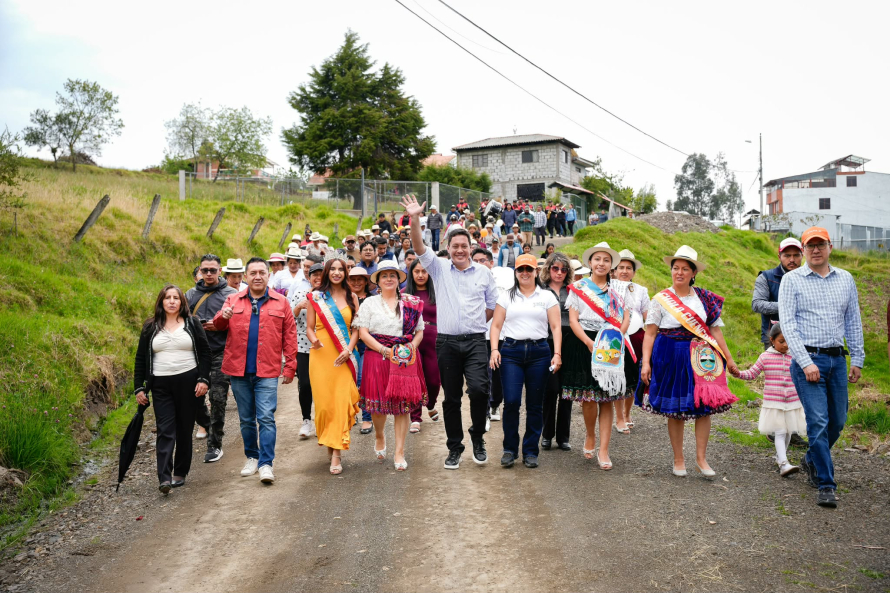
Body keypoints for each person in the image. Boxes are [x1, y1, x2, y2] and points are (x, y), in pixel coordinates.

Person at [403, 193, 499, 470]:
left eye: (464, 246)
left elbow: (492, 306)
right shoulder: (439, 268)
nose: (459, 250)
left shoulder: (483, 273)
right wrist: (414, 219)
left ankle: (477, 438)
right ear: (448, 247)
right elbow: (420, 245)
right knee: (452, 397)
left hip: (476, 342)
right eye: (455, 246)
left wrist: (472, 322)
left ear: (471, 247)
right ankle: (454, 447)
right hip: (446, 344)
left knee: (480, 391)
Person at [778, 226, 864, 508]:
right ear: (803, 250)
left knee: (837, 421)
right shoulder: (792, 280)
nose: (816, 250)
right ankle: (826, 484)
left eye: (821, 245)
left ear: (830, 247)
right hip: (808, 362)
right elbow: (788, 326)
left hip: (837, 361)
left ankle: (812, 457)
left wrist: (857, 359)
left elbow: (853, 321)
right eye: (810, 245)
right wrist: (805, 362)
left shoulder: (846, 279)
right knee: (818, 422)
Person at [637, 245, 739, 477]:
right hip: (670, 354)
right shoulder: (660, 300)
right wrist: (646, 363)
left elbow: (715, 331)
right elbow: (650, 333)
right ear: (671, 271)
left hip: (701, 356)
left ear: (694, 273)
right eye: (675, 268)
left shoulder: (704, 298)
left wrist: (729, 359)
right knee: (676, 407)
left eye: (685, 269)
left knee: (704, 408)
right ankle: (678, 459)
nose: (679, 272)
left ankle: (701, 459)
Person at [214, 258, 297, 485]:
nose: (258, 276)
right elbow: (218, 326)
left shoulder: (281, 303)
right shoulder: (232, 300)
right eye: (253, 273)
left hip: (268, 370)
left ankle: (266, 464)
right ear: (246, 276)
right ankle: (252, 456)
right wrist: (224, 316)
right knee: (246, 419)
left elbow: (289, 336)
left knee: (266, 418)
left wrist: (290, 365)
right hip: (238, 370)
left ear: (268, 275)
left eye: (262, 272)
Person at [134, 285, 211, 493]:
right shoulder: (150, 326)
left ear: (181, 302)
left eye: (175, 298)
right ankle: (164, 477)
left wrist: (204, 380)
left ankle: (180, 472)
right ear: (161, 302)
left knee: (184, 429)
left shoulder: (192, 324)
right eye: (167, 298)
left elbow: (205, 353)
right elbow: (141, 358)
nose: (171, 301)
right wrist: (139, 388)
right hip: (160, 385)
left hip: (189, 382)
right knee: (165, 430)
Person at [563, 243, 633, 470]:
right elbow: (573, 320)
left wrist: (615, 338)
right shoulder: (578, 287)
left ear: (610, 265)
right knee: (590, 397)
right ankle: (590, 435)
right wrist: (589, 342)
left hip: (611, 343)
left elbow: (626, 319)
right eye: (597, 259)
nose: (601, 263)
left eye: (606, 260)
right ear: (590, 263)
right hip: (586, 342)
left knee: (608, 397)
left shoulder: (619, 291)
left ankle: (604, 449)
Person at [489, 254, 562, 469]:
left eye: (529, 269)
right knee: (511, 401)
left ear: (536, 272)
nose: (525, 273)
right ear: (516, 272)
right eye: (521, 269)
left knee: (534, 404)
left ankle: (531, 450)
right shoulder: (506, 297)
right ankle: (509, 449)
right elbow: (496, 326)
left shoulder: (547, 297)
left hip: (539, 352)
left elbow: (556, 327)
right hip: (511, 351)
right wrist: (494, 349)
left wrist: (557, 354)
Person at [353, 261, 427, 470]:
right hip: (377, 356)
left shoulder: (410, 303)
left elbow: (419, 331)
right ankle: (379, 435)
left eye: (392, 275)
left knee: (402, 406)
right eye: (384, 276)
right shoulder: (369, 303)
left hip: (404, 358)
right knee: (378, 406)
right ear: (377, 280)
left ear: (398, 279)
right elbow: (363, 332)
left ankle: (399, 451)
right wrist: (385, 351)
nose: (388, 279)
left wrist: (410, 348)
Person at [306, 258, 362, 475]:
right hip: (321, 356)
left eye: (341, 269)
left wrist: (348, 349)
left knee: (340, 401)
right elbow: (310, 328)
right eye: (333, 269)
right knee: (324, 405)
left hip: (344, 354)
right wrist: (314, 340)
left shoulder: (352, 297)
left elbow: (357, 328)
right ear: (327, 272)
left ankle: (337, 453)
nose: (337, 273)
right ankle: (330, 440)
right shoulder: (315, 297)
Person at [732, 323, 807, 477]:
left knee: (788, 432)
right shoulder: (765, 357)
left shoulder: (796, 355)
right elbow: (752, 373)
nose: (785, 345)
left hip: (792, 402)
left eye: (788, 341)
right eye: (781, 341)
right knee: (779, 432)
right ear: (772, 340)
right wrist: (738, 373)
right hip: (774, 403)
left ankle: (781, 458)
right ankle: (784, 464)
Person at [186, 254, 237, 463]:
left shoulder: (231, 294)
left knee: (217, 398)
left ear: (220, 271)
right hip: (195, 354)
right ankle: (206, 424)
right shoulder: (190, 294)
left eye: (212, 270)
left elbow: (241, 324)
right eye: (205, 270)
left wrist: (219, 325)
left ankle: (215, 444)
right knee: (194, 398)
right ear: (200, 270)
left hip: (221, 351)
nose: (208, 274)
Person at [612, 249, 649, 434]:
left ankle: (627, 413)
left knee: (633, 378)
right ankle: (618, 417)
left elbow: (647, 316)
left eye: (628, 268)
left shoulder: (641, 291)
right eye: (621, 267)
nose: (625, 271)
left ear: (634, 272)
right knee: (618, 376)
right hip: (615, 338)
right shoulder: (608, 288)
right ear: (615, 270)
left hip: (636, 338)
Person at [540, 252, 573, 451]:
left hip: (569, 340)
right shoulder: (540, 290)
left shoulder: (573, 291)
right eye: (555, 268)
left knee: (566, 391)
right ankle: (546, 434)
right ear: (549, 269)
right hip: (546, 341)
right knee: (550, 390)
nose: (559, 272)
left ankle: (563, 437)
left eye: (563, 269)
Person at [288, 261, 326, 440]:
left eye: (321, 274)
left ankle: (323, 419)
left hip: (327, 347)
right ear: (308, 278)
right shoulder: (300, 294)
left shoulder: (331, 295)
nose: (318, 277)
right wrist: (298, 307)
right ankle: (306, 419)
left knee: (324, 384)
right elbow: (289, 320)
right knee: (305, 384)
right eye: (314, 275)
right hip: (303, 346)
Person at [405, 258, 442, 430]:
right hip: (412, 341)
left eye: (424, 271)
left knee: (434, 381)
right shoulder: (404, 294)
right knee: (414, 380)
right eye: (416, 271)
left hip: (434, 340)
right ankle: (415, 418)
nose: (420, 275)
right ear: (411, 273)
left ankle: (430, 403)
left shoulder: (438, 293)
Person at [752, 237, 803, 350]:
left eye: (796, 255)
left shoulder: (810, 278)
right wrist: (786, 305)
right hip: (775, 338)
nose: (792, 260)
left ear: (802, 255)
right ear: (779, 257)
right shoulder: (766, 277)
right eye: (787, 255)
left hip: (805, 336)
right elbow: (757, 304)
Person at [347, 267, 375, 435]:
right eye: (353, 279)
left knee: (362, 381)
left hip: (367, 346)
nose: (356, 282)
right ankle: (351, 413)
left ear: (366, 281)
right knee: (347, 382)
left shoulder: (373, 300)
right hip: (346, 344)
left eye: (360, 279)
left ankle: (367, 417)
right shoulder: (343, 300)